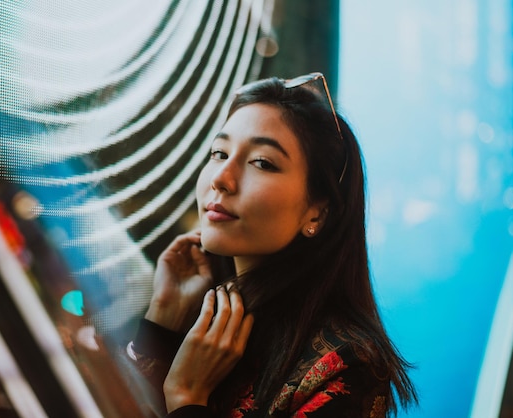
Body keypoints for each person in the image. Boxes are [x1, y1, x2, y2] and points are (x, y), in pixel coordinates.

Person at [127, 73, 418, 417]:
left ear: (317, 212)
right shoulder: (202, 313)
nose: (221, 178)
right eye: (219, 153)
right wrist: (162, 320)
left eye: (262, 163)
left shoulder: (346, 364)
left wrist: (187, 397)